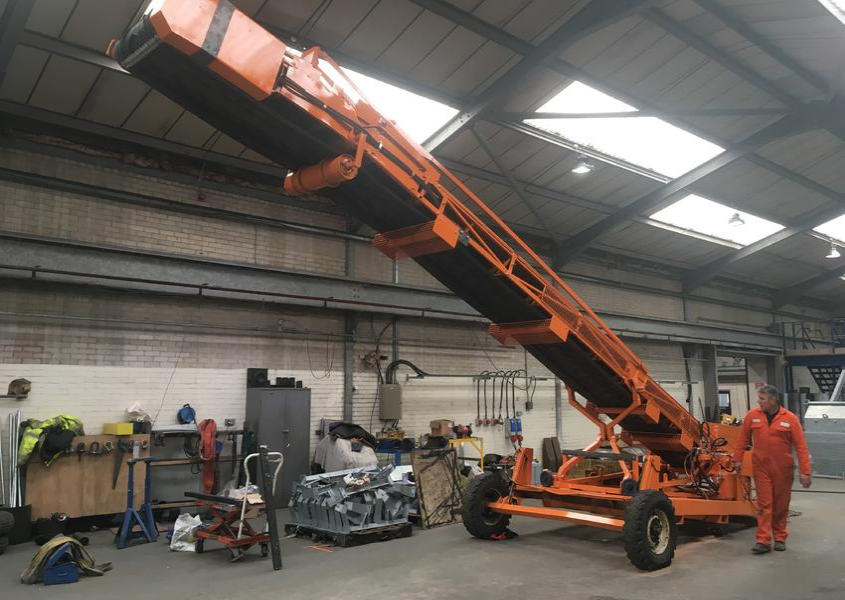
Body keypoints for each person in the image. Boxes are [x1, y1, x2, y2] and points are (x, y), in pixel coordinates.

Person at [732, 384, 811, 554]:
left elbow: (801, 446)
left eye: (762, 399)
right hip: (761, 468)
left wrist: (805, 471)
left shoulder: (790, 418)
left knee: (781, 505)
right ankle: (763, 540)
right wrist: (737, 459)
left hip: (783, 469)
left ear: (773, 400)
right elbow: (742, 439)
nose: (759, 402)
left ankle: (780, 537)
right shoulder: (752, 416)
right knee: (764, 504)